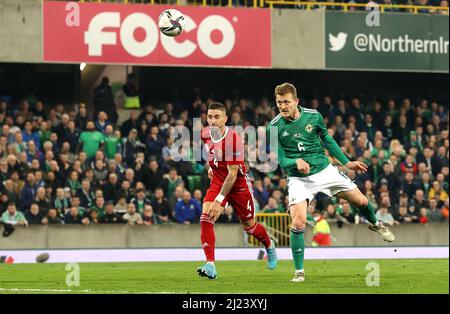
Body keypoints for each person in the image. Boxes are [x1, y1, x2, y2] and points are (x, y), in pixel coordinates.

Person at [268, 83, 395, 283]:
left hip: (325, 171)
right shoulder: (273, 127)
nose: (282, 106)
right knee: (298, 221)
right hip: (299, 178)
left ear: (296, 101)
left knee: (361, 202)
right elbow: (281, 160)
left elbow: (328, 141)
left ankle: (376, 223)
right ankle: (299, 271)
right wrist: (295, 161)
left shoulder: (314, 116)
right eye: (279, 102)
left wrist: (347, 163)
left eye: (286, 102)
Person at [196, 102, 277, 280]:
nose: (213, 120)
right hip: (218, 180)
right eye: (210, 117)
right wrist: (212, 167)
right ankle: (210, 265)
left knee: (250, 227)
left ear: (225, 119)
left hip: (238, 185)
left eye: (217, 117)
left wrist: (219, 200)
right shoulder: (205, 134)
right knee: (206, 217)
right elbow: (212, 153)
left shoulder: (233, 140)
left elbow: (232, 175)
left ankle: (269, 245)